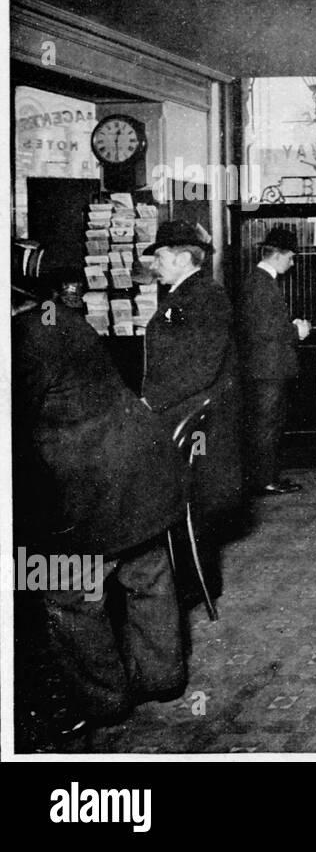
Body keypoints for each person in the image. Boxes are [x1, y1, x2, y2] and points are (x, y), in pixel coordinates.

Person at [12, 265, 187, 741]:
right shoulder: (62, 318)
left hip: (85, 484)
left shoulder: (20, 338)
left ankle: (104, 700)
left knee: (69, 592)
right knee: (147, 575)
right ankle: (163, 678)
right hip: (142, 469)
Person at [141, 220, 244, 606]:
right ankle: (191, 582)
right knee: (191, 503)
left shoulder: (203, 298)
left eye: (161, 257)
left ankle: (194, 585)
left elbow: (198, 368)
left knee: (191, 503)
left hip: (196, 421)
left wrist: (152, 402)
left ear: (184, 258)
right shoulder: (188, 295)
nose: (155, 264)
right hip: (188, 415)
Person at [237, 226, 310, 496]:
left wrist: (287, 326)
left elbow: (264, 324)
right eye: (291, 257)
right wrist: (297, 331)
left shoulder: (258, 282)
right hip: (268, 369)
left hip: (264, 368)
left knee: (266, 424)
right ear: (278, 256)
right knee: (267, 425)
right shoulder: (262, 284)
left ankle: (264, 476)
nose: (292, 263)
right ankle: (264, 479)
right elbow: (265, 329)